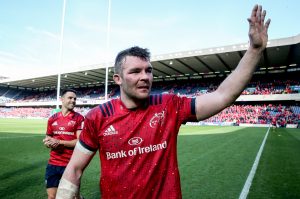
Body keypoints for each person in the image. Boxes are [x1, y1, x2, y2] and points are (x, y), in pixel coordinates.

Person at [57, 5, 271, 199]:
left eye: (149, 71)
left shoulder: (168, 105)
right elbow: (74, 169)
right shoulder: (98, 116)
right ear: (118, 79)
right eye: (135, 71)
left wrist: (254, 50)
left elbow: (222, 96)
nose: (145, 77)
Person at [43, 89, 84, 199]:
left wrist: (59, 142)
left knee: (73, 197)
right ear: (62, 99)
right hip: (53, 163)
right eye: (70, 98)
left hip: (71, 164)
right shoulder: (52, 118)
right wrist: (48, 143)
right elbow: (48, 138)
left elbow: (80, 142)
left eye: (75, 99)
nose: (73, 100)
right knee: (52, 197)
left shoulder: (79, 118)